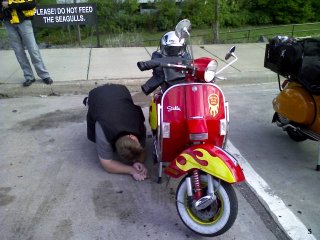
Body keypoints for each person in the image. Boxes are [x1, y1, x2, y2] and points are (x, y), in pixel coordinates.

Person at [85, 84, 148, 181]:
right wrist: (131, 170)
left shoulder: (137, 121)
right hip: (96, 94)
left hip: (120, 90)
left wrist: (139, 161)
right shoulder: (103, 130)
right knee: (94, 111)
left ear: (132, 137)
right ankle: (88, 102)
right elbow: (107, 165)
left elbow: (142, 147)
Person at [0, 0, 53, 87]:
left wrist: (10, 4)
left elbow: (31, 4)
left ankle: (44, 75)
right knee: (18, 51)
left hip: (23, 20)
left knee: (33, 49)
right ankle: (29, 77)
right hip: (8, 22)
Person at [141, 31, 191, 95]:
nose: (173, 52)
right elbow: (157, 77)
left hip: (186, 93)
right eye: (170, 50)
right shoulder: (158, 59)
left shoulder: (186, 58)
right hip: (168, 94)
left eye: (177, 49)